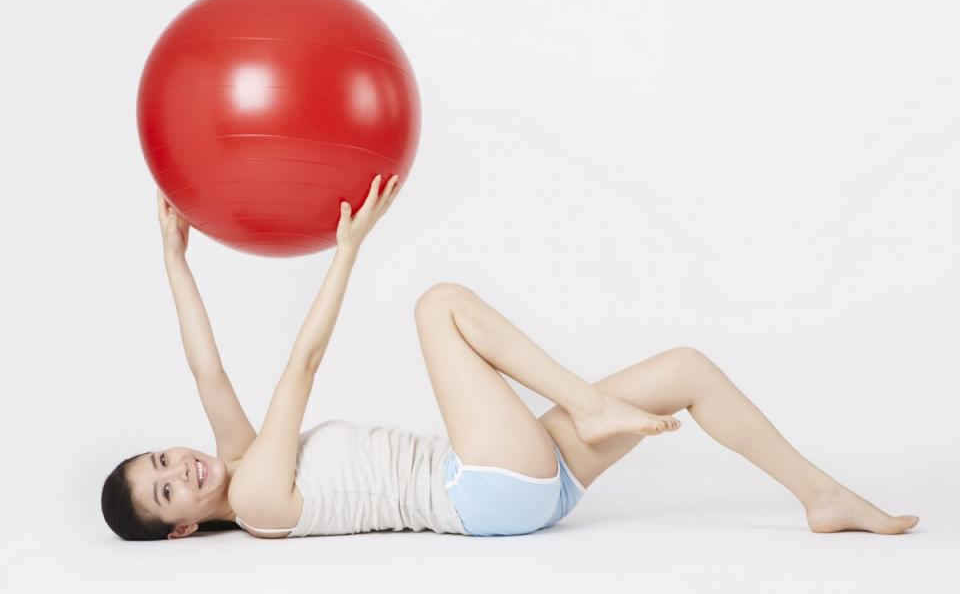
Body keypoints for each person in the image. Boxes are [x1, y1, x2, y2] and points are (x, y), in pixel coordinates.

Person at [101, 174, 919, 540]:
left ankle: (822, 496)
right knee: (438, 306)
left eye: (162, 458)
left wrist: (174, 259)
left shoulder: (238, 458)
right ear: (182, 526)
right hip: (480, 488)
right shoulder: (258, 501)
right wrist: (349, 248)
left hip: (514, 478)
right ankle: (588, 405)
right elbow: (302, 367)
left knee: (686, 369)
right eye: (167, 489)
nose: (182, 468)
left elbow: (208, 370)